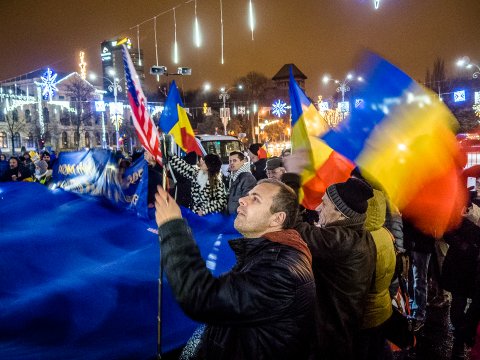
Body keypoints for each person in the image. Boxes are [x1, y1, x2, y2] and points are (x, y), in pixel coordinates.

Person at [155, 179, 316, 359]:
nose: (242, 200)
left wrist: (173, 228)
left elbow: (202, 297)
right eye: (247, 195)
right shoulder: (267, 252)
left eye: (255, 199)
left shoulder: (281, 270)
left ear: (277, 218)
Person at [284, 154, 376, 360]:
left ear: (341, 214)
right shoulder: (361, 236)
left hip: (329, 336)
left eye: (324, 204)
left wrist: (292, 178)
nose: (317, 208)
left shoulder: (340, 241)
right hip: (343, 329)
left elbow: (296, 229)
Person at [356, 189, 396, 360]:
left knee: (365, 350)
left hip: (366, 312)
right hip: (383, 306)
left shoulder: (363, 239)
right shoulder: (384, 233)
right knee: (379, 346)